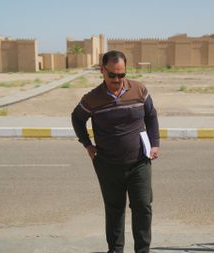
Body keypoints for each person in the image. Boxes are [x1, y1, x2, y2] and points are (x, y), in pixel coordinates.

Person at [71, 50, 160, 253]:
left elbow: (151, 115)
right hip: (108, 165)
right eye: (112, 75)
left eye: (122, 75)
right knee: (114, 210)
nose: (117, 79)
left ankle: (143, 250)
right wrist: (87, 144)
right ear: (102, 71)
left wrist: (155, 143)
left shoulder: (139, 90)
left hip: (140, 162)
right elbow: (77, 118)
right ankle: (116, 250)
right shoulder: (93, 98)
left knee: (143, 208)